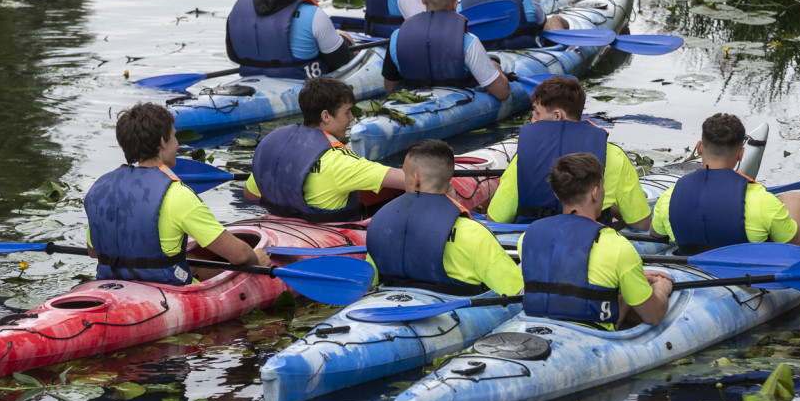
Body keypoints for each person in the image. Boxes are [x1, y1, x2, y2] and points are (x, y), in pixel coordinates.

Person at [85, 103, 269, 285]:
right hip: (165, 292)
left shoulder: (101, 189)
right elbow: (240, 256)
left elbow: (93, 252)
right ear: (162, 142)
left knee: (189, 256)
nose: (177, 143)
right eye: (174, 136)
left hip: (111, 284)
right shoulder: (177, 195)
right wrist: (257, 263)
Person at [519, 153, 672, 329]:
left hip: (536, 327)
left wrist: (623, 282)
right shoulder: (617, 247)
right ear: (595, 193)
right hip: (591, 337)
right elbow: (653, 316)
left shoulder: (529, 236)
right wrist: (662, 289)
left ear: (556, 193)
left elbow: (562, 284)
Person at [651, 113, 800, 254]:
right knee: (796, 198)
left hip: (693, 263)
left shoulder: (670, 196)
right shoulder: (761, 200)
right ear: (741, 154)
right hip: (748, 268)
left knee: (795, 198)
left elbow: (655, 234)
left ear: (699, 148)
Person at [487, 76, 651, 227]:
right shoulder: (614, 155)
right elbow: (642, 224)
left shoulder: (525, 156)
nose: (533, 120)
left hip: (532, 240)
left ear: (557, 115)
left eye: (537, 113)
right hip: (589, 241)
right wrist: (613, 209)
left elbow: (495, 219)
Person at [366, 139, 523, 295]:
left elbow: (370, 284)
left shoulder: (380, 223)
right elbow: (518, 291)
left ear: (416, 179)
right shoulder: (474, 235)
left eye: (404, 173)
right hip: (456, 310)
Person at [243, 77, 406, 221]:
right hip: (330, 241)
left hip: (279, 229)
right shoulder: (341, 163)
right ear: (326, 116)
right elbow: (412, 181)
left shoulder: (274, 145)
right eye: (348, 112)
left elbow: (249, 195)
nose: (352, 118)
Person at [381, 0, 511, 101]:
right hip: (457, 106)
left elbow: (390, 89)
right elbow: (502, 93)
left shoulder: (397, 37)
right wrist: (495, 67)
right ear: (455, 5)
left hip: (412, 104)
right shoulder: (468, 41)